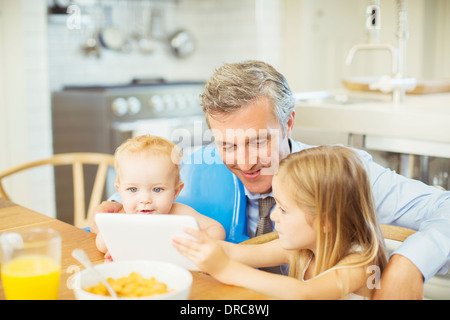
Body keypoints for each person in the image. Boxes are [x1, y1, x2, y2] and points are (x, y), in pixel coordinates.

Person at [91, 60, 450, 299]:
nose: (246, 162)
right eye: (227, 145)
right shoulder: (191, 169)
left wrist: (409, 262)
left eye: (259, 141)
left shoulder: (337, 177)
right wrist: (115, 214)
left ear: (289, 122)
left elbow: (444, 208)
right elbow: (136, 199)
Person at [173, 145, 388, 299]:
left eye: (283, 209)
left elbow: (305, 294)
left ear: (326, 222)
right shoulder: (303, 249)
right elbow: (235, 252)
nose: (273, 215)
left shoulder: (360, 264)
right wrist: (189, 247)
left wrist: (225, 269)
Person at [95, 135, 226, 259]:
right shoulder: (125, 218)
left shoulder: (179, 213)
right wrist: (119, 246)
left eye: (157, 189)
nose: (145, 199)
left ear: (175, 192)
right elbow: (101, 243)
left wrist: (195, 244)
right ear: (121, 192)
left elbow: (217, 230)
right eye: (133, 189)